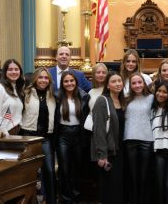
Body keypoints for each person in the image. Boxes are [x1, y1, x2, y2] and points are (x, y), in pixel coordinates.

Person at [20, 67, 56, 204]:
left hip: (46, 138)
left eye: (46, 78)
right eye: (40, 77)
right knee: (29, 173)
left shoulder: (53, 95)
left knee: (49, 170)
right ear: (35, 79)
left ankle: (51, 200)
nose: (43, 80)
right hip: (29, 137)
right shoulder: (26, 94)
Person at [54, 71, 90, 203]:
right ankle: (65, 197)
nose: (69, 83)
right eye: (66, 81)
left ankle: (76, 196)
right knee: (64, 167)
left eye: (71, 81)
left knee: (77, 166)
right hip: (63, 135)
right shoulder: (57, 96)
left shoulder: (83, 96)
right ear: (62, 84)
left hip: (78, 134)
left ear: (76, 82)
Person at [91, 72, 126, 204]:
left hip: (121, 150)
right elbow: (99, 130)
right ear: (108, 85)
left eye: (119, 81)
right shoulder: (102, 101)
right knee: (109, 188)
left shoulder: (122, 100)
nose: (118, 84)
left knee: (118, 187)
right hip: (108, 152)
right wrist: (102, 155)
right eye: (114, 81)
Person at [124, 72, 154, 204]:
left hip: (147, 139)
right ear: (130, 85)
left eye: (139, 82)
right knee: (132, 174)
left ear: (144, 83)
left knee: (144, 174)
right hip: (130, 139)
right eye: (134, 83)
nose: (137, 85)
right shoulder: (125, 98)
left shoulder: (152, 98)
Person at [0, 59, 25, 135]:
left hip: (16, 132)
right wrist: (5, 134)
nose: (14, 72)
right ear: (5, 72)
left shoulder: (18, 90)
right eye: (10, 69)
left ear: (20, 72)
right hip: (3, 134)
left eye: (16, 69)